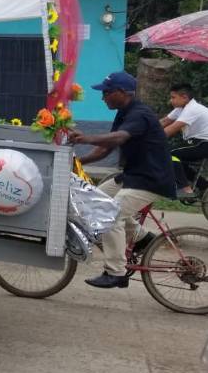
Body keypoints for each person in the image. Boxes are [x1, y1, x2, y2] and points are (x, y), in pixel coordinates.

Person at [68, 71, 175, 289]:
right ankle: (142, 239)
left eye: (106, 92)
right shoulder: (124, 113)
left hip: (150, 179)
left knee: (109, 215)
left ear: (122, 92)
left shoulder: (139, 114)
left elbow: (119, 137)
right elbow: (106, 148)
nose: (103, 97)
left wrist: (86, 138)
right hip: (133, 176)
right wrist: (78, 162)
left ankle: (116, 272)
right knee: (95, 199)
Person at [159, 83, 208, 198]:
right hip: (196, 142)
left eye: (173, 97)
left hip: (203, 143)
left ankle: (185, 189)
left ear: (184, 97)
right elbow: (164, 122)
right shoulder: (181, 108)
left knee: (167, 153)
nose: (171, 101)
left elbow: (170, 130)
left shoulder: (192, 109)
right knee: (175, 160)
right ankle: (203, 185)